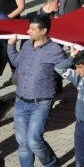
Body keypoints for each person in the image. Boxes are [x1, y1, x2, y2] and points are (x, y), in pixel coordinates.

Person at [7, 15, 66, 167]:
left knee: (33, 141)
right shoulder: (27, 45)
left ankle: (51, 162)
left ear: (44, 30)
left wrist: (73, 57)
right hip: (20, 102)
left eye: (32, 29)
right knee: (23, 144)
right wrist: (11, 46)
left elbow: (67, 71)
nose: (28, 31)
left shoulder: (55, 50)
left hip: (41, 103)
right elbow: (15, 61)